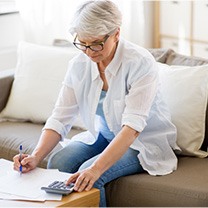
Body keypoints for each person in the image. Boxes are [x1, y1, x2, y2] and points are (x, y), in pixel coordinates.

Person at [13, 0, 180, 207]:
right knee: (59, 162)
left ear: (116, 33)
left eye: (96, 43)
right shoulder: (79, 65)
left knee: (88, 176)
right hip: (104, 135)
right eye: (83, 44)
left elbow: (132, 129)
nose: (90, 52)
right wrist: (36, 156)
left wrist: (95, 169)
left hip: (142, 142)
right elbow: (60, 116)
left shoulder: (140, 63)